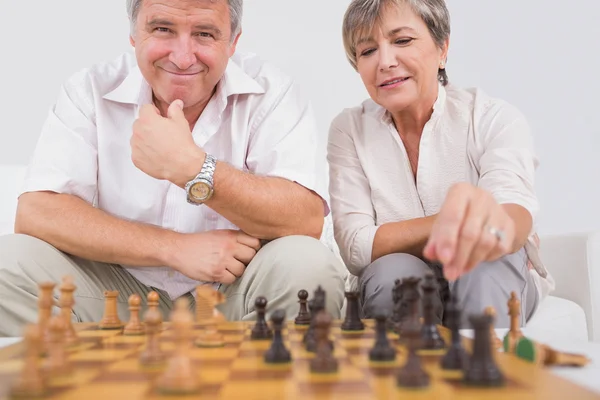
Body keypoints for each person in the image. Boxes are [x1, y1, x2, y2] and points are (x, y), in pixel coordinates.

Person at [0, 0, 347, 337]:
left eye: (205, 34)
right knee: (7, 263)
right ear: (134, 34)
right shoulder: (88, 90)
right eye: (163, 29)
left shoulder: (272, 93)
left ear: (233, 42)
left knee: (309, 266)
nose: (182, 57)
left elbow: (304, 220)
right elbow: (36, 213)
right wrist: (175, 249)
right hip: (117, 293)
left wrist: (194, 168)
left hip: (236, 294)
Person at [328, 0, 554, 328]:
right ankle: (405, 377)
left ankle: (485, 373)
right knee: (394, 274)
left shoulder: (492, 118)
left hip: (491, 277)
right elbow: (356, 247)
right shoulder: (348, 129)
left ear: (442, 47)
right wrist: (454, 221)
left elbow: (512, 215)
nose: (385, 62)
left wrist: (495, 225)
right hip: (402, 284)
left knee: (486, 261)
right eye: (367, 51)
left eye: (402, 41)